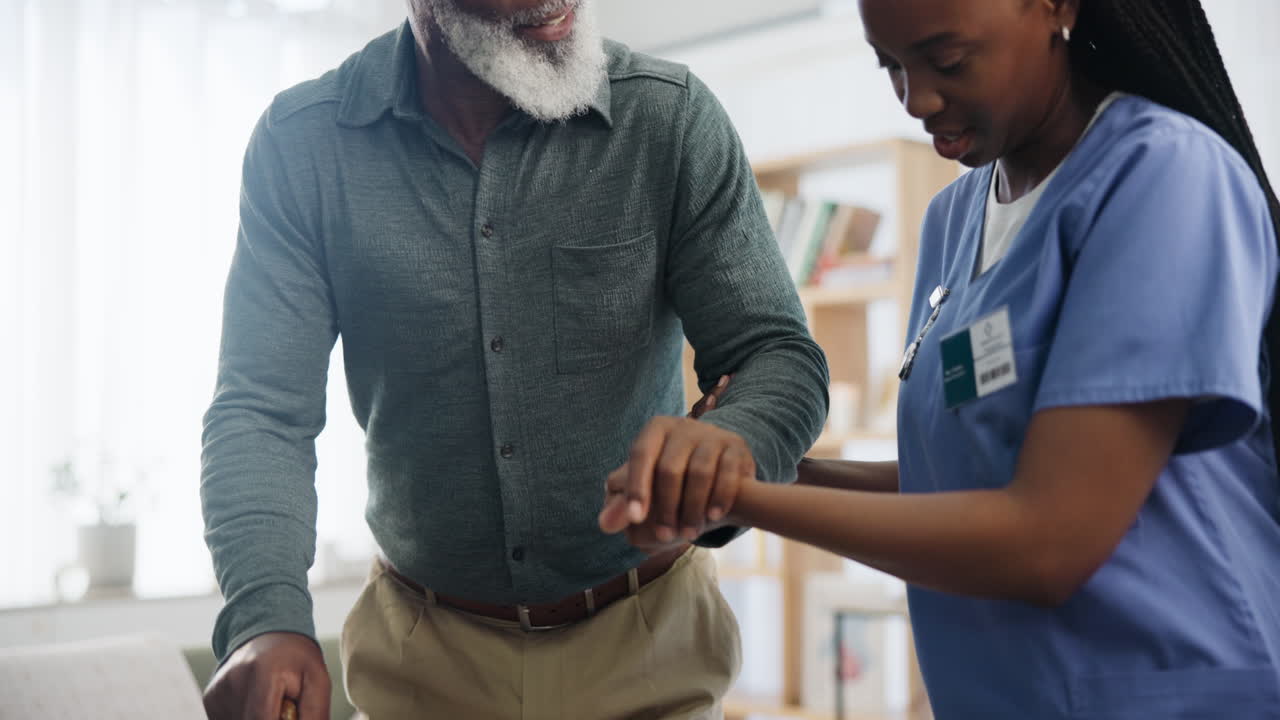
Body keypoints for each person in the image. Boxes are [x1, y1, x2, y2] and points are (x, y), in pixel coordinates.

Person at [603, 0, 1280, 717]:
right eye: (890, 65)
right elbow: (957, 476)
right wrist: (759, 467)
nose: (916, 99)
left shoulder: (1161, 175)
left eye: (947, 60)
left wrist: (744, 499)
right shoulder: (953, 220)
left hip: (1168, 693)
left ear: (1057, 8)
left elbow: (1049, 540)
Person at [198, 0, 830, 718]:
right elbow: (262, 414)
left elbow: (776, 355)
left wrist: (731, 444)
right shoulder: (302, 145)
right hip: (422, 666)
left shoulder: (671, 119)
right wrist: (265, 619)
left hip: (651, 651)